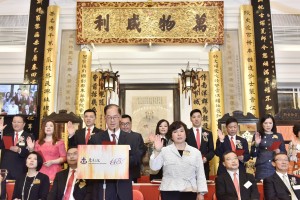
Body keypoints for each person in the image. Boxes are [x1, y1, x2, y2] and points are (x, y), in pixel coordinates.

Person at [89, 104, 139, 200]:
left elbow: (136, 160)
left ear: (120, 117)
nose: (112, 120)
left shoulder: (132, 138)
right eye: (109, 117)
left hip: (123, 187)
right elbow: (91, 162)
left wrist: (117, 159)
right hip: (103, 187)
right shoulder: (96, 138)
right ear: (105, 118)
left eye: (115, 117)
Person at [150, 121, 207, 200]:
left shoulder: (195, 152)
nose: (179, 134)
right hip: (169, 191)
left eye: (181, 131)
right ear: (171, 136)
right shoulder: (165, 150)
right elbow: (154, 167)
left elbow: (200, 174)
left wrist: (201, 193)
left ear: (186, 134)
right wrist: (157, 151)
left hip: (189, 191)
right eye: (175, 132)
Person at [251, 114, 286, 181]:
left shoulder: (278, 136)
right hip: (262, 167)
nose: (268, 125)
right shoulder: (258, 135)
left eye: (270, 123)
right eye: (265, 123)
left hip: (276, 166)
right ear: (262, 124)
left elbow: (284, 152)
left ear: (273, 124)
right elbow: (253, 154)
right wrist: (256, 144)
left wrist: (279, 152)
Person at [0, 115, 34, 180]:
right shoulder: (7, 136)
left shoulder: (28, 137)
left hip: (20, 170)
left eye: (18, 122)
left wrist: (19, 150)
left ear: (24, 124)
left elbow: (30, 154)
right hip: (5, 171)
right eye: (14, 122)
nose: (16, 124)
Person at [186, 109, 215, 180]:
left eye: (198, 116)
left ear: (201, 118)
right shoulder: (186, 133)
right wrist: (190, 158)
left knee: (203, 189)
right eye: (194, 117)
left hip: (204, 167)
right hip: (190, 167)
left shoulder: (208, 133)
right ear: (191, 119)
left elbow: (212, 151)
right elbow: (184, 149)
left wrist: (206, 158)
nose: (196, 119)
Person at [120, 114, 147, 183]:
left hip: (132, 171)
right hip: (118, 172)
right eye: (122, 124)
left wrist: (125, 161)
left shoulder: (137, 136)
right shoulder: (116, 136)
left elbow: (140, 152)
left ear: (131, 124)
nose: (125, 126)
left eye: (127, 124)